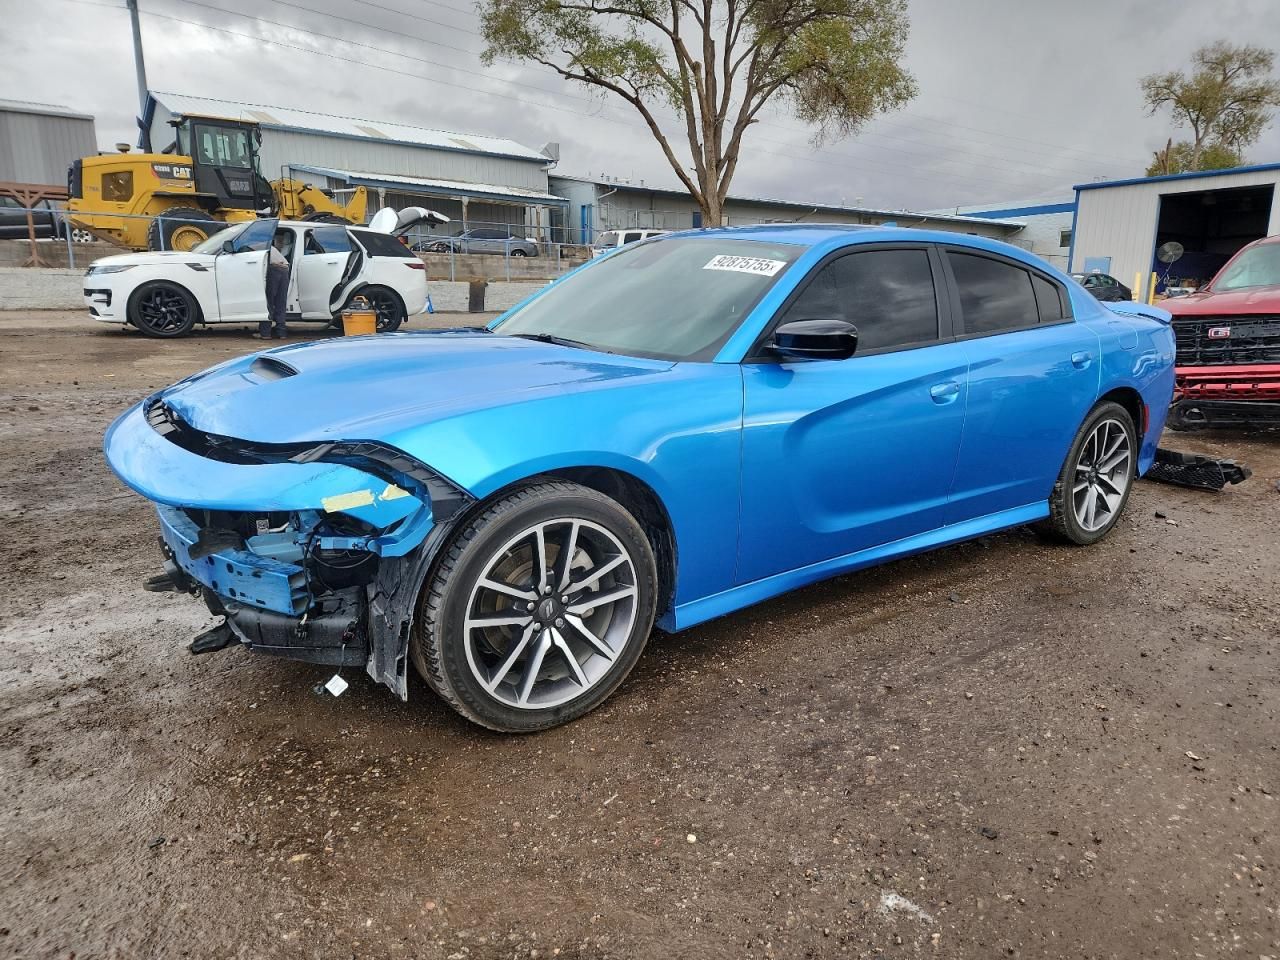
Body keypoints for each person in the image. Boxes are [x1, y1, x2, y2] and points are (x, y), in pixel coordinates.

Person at [255, 231, 290, 340]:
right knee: (280, 302)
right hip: (284, 269)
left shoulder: (254, 246)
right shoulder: (271, 247)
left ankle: (265, 333)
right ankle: (281, 333)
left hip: (273, 269)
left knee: (268, 301)